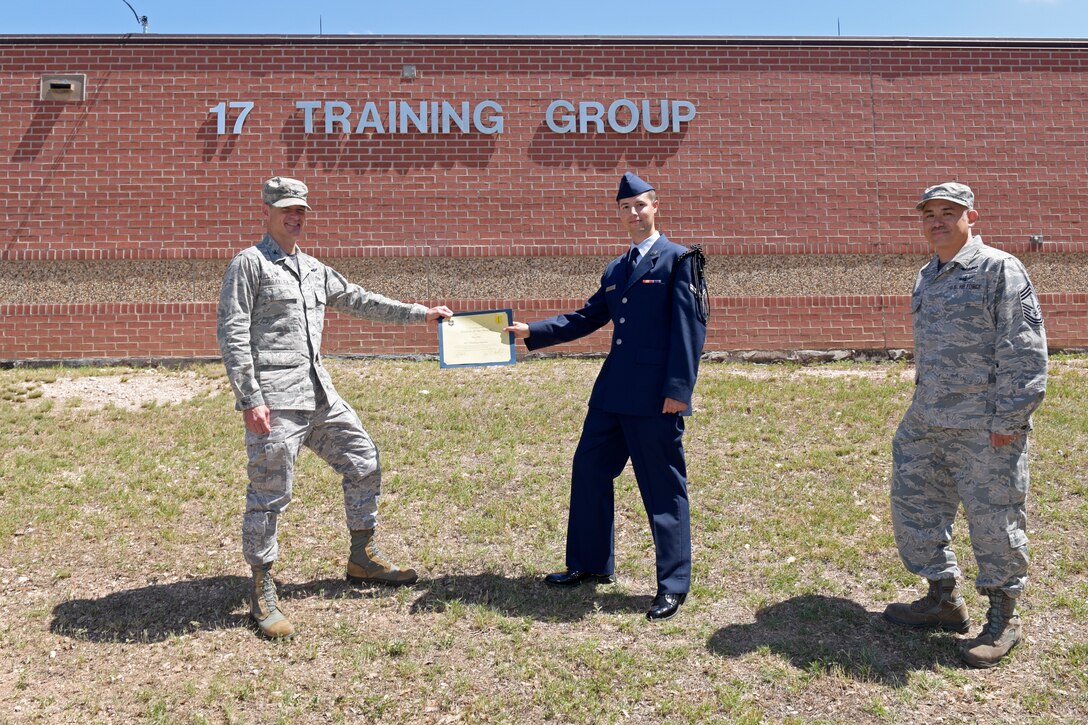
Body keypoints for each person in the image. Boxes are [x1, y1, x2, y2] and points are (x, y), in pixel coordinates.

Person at [217, 176, 452, 639]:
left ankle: (362, 557)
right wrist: (250, 398)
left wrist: (419, 314)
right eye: (286, 209)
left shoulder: (313, 269)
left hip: (319, 395)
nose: (295, 216)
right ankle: (262, 590)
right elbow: (233, 332)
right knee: (269, 494)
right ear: (267, 211)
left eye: (301, 210)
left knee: (364, 460)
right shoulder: (250, 264)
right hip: (276, 401)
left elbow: (360, 299)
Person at [505, 172, 708, 621]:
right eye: (625, 208)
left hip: (656, 399)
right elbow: (587, 317)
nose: (633, 214)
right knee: (589, 471)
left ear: (656, 207)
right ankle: (589, 564)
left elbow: (691, 329)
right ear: (619, 214)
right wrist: (531, 331)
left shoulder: (680, 260)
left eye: (640, 205)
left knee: (663, 487)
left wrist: (679, 390)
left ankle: (673, 585)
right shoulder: (617, 269)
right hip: (612, 393)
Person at [883, 182, 1048, 668]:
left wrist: (1010, 420)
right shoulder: (927, 275)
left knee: (995, 519)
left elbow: (1025, 348)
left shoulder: (1000, 268)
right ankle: (942, 599)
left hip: (985, 427)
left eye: (948, 212)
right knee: (915, 506)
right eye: (929, 213)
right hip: (929, 419)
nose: (937, 221)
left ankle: (1003, 617)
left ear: (971, 217)